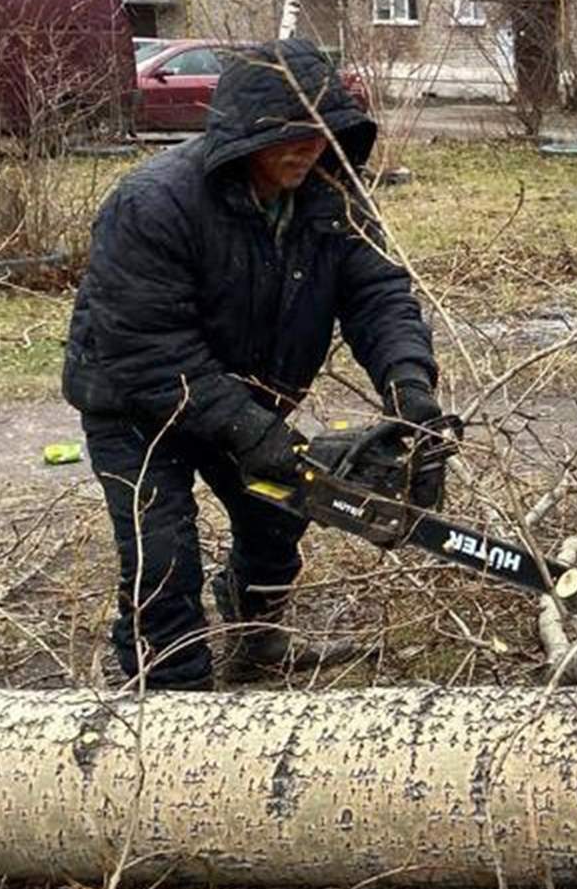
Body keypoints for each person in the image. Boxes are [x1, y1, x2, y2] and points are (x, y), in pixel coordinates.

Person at [63, 38, 442, 690]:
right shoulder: (153, 205)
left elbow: (377, 296)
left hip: (241, 393)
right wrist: (256, 433)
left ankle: (254, 630)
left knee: (278, 516)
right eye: (287, 137)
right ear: (241, 137)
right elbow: (151, 350)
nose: (305, 149)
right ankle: (172, 695)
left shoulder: (332, 200)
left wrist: (409, 386)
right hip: (133, 403)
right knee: (161, 553)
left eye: (319, 134)